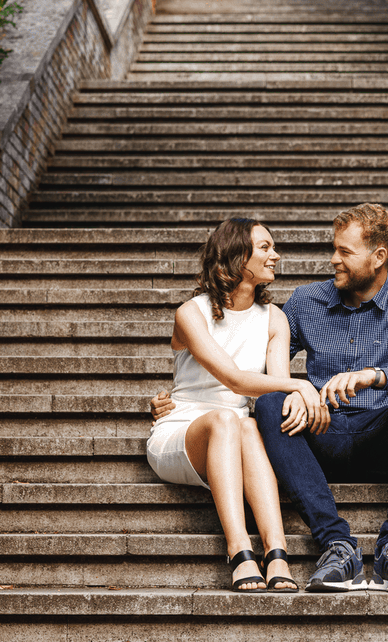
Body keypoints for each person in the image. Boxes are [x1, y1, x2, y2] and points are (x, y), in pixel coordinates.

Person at [152, 204, 388, 594]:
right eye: (334, 248)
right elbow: (261, 371)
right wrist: (296, 389)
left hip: (382, 437)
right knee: (273, 402)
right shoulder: (305, 303)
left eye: (345, 252)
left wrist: (374, 376)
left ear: (379, 258)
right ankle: (336, 545)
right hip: (322, 432)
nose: (333, 259)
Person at [145, 217, 326, 592]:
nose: (275, 255)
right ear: (235, 254)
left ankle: (277, 552)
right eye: (265, 247)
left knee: (244, 423)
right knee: (228, 420)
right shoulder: (190, 313)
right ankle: (239, 549)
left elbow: (271, 391)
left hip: (239, 434)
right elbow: (234, 379)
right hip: (184, 430)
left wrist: (294, 395)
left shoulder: (274, 318)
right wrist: (302, 385)